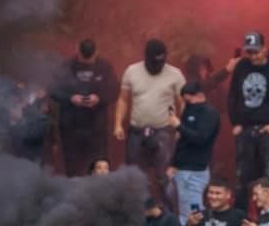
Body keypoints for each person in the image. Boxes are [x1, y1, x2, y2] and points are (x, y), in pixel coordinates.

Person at [115, 39, 184, 199]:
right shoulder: (132, 71)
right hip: (137, 131)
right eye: (153, 62)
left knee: (164, 177)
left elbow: (183, 103)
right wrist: (118, 124)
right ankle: (140, 216)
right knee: (136, 178)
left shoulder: (175, 74)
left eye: (160, 62)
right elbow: (123, 99)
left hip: (163, 131)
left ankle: (169, 217)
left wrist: (182, 128)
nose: (156, 66)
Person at [228, 32, 269, 197]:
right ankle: (242, 216)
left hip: (267, 129)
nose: (253, 56)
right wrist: (235, 122)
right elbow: (233, 95)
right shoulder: (242, 66)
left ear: (264, 49)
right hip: (245, 128)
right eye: (249, 52)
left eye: (256, 52)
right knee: (243, 175)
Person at [51, 39, 113, 177]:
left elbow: (114, 90)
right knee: (73, 168)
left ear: (96, 52)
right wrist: (70, 98)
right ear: (77, 51)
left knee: (99, 166)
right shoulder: (66, 67)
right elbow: (53, 90)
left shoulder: (104, 67)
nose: (86, 61)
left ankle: (100, 195)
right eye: (84, 57)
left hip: (96, 127)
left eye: (89, 58)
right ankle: (75, 196)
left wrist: (99, 98)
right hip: (71, 127)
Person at [170, 80, 219, 226]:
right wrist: (174, 164)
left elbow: (201, 138)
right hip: (182, 168)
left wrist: (179, 126)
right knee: (185, 211)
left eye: (190, 100)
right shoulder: (188, 110)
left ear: (199, 95)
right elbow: (182, 141)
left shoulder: (209, 113)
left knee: (193, 213)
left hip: (195, 170)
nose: (188, 104)